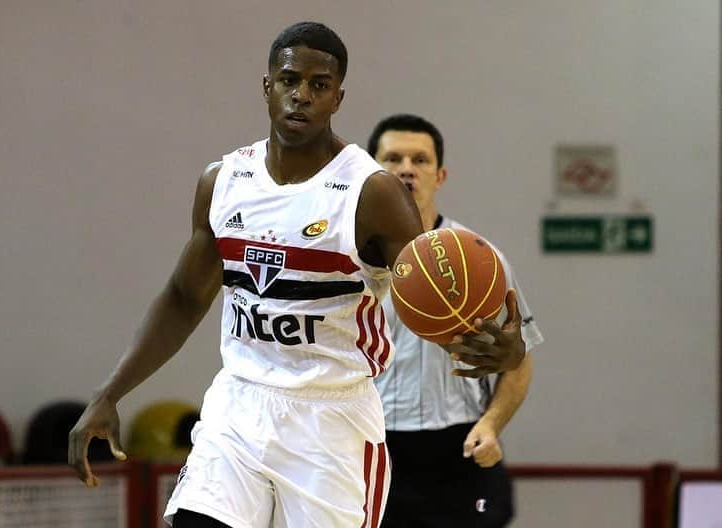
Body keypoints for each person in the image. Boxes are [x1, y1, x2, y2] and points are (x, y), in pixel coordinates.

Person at [68, 24, 526, 528]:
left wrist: (493, 347)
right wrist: (109, 393)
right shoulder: (223, 181)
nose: (301, 96)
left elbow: (432, 300)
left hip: (330, 421)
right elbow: (182, 298)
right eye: (289, 80)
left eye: (319, 85)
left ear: (338, 97)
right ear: (268, 86)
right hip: (238, 405)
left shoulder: (372, 193)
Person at [367, 114, 544, 527]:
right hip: (372, 443)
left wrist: (492, 423)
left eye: (420, 159)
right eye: (393, 158)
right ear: (372, 172)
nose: (407, 168)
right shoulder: (349, 263)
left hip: (459, 445)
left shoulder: (482, 260)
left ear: (440, 175)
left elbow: (520, 359)